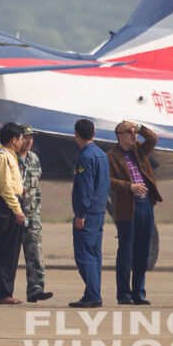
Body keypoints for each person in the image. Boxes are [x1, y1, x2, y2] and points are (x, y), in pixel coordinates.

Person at [107, 121, 162, 305]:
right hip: (127, 206)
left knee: (143, 250)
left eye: (134, 132)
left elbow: (153, 139)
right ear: (119, 135)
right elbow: (109, 182)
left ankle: (139, 292)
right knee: (126, 251)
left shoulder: (140, 150)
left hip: (145, 204)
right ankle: (124, 293)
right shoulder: (111, 157)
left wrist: (140, 127)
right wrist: (129, 187)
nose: (133, 135)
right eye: (129, 132)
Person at [69, 118, 109, 308]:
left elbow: (85, 188)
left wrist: (81, 214)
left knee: (84, 254)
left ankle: (93, 294)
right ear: (93, 134)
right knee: (94, 253)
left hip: (88, 213)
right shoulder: (101, 154)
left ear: (76, 134)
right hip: (99, 211)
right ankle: (92, 292)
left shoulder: (85, 157)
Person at [0, 122, 25, 305]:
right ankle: (3, 294)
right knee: (6, 252)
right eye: (20, 139)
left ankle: (6, 292)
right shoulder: (3, 157)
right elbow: (5, 187)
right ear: (14, 140)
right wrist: (17, 210)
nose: (22, 142)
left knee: (11, 252)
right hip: (8, 207)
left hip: (12, 204)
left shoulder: (11, 157)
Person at [17, 124, 52, 302]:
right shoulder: (8, 159)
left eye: (31, 137)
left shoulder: (34, 159)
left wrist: (36, 211)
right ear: (17, 138)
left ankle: (36, 289)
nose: (29, 140)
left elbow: (37, 188)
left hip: (31, 216)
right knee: (6, 257)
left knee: (35, 253)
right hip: (12, 215)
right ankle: (3, 292)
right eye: (25, 137)